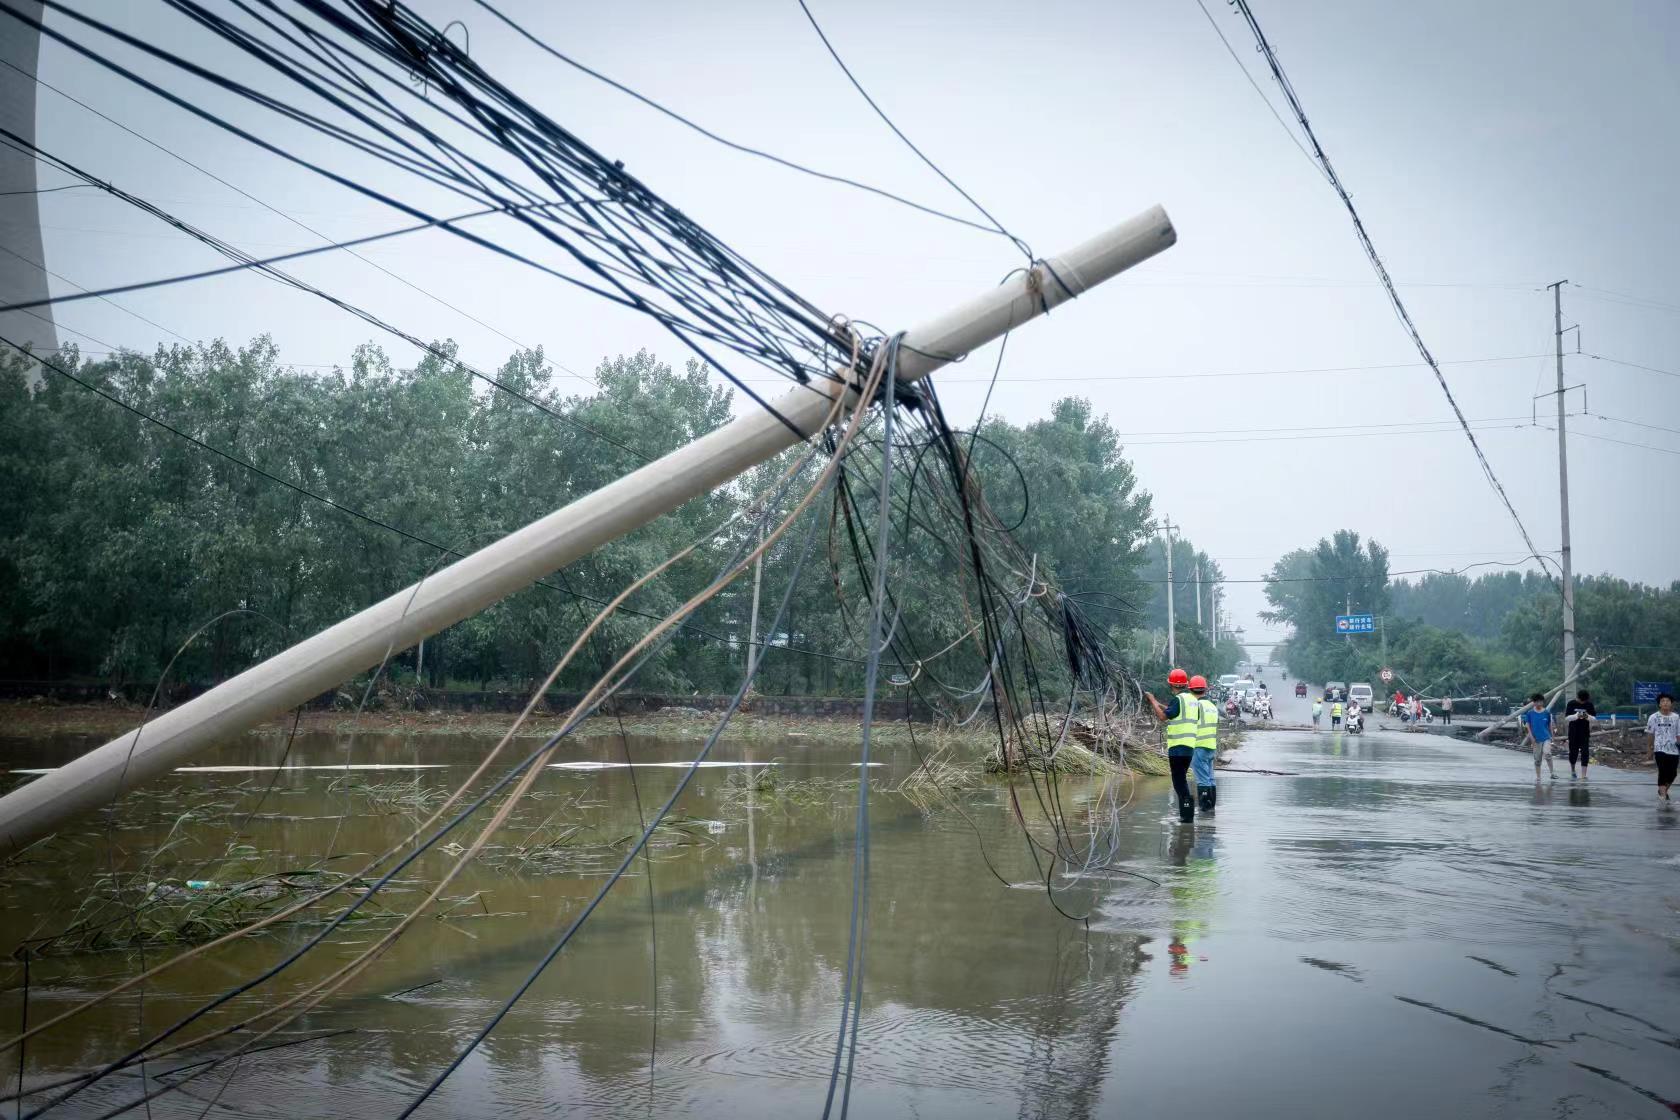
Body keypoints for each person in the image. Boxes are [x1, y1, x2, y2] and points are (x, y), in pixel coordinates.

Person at [1147, 668, 1201, 822]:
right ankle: (1187, 814)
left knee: (1179, 782)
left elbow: (1164, 717)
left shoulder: (1178, 700)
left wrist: (1152, 701)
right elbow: (1174, 712)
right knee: (1182, 779)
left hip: (1177, 747)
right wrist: (1159, 703)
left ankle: (1186, 817)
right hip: (1189, 747)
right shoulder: (1192, 701)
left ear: (1171, 684)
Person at [1189, 674, 1220, 813]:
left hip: (1198, 746)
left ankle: (1205, 809)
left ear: (1191, 690)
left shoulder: (1196, 706)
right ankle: (1211, 807)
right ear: (1205, 690)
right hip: (1211, 747)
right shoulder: (1212, 706)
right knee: (1210, 778)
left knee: (1202, 780)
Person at [1647, 692, 1679, 802]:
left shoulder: (1676, 717)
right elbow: (1650, 734)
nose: (1665, 703)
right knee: (1663, 771)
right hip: (1659, 748)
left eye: (1667, 701)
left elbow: (1678, 734)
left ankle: (1663, 790)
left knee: (1673, 773)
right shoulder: (1653, 717)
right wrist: (1649, 749)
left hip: (1674, 749)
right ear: (1659, 704)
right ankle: (1663, 795)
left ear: (1671, 704)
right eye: (1663, 701)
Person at [1520, 692, 1556, 781]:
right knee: (1537, 759)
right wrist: (1531, 737)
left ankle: (1552, 773)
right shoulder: (1530, 713)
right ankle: (1538, 776)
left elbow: (1549, 725)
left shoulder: (1547, 713)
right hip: (1536, 738)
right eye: (1538, 702)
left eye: (1541, 702)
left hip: (1546, 737)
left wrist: (1552, 736)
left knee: (1547, 754)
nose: (1540, 703)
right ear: (1534, 703)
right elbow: (1528, 726)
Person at [1563, 689, 1596, 780]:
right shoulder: (1571, 703)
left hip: (1585, 733)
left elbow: (1593, 718)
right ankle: (1573, 770)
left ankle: (1583, 775)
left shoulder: (1589, 704)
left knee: (1585, 753)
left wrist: (1587, 716)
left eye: (1583, 701)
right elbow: (1567, 718)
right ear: (1577, 697)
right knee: (1573, 753)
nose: (1581, 702)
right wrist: (1576, 716)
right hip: (1573, 733)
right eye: (1580, 700)